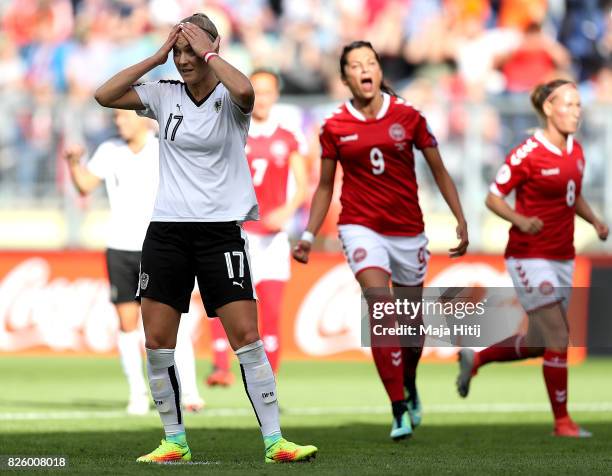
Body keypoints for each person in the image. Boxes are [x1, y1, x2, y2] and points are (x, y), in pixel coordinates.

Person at [94, 13, 317, 464]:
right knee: (157, 341)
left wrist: (210, 52)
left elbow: (247, 92)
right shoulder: (163, 93)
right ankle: (174, 440)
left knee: (247, 336)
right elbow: (104, 95)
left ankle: (275, 441)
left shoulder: (230, 97)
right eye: (178, 52)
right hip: (167, 233)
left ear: (212, 49)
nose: (183, 60)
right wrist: (157, 56)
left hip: (220, 233)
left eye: (190, 50)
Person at [292, 40, 469, 441]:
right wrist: (307, 234)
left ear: (379, 71)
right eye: (355, 65)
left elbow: (439, 170)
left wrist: (460, 217)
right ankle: (397, 409)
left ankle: (409, 383)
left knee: (410, 326)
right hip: (360, 226)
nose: (365, 69)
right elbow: (323, 188)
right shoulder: (334, 125)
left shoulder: (409, 116)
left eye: (370, 62)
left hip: (408, 229)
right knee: (380, 309)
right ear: (345, 77)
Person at [456, 79, 609, 437]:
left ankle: (476, 359)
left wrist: (595, 219)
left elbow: (573, 196)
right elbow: (493, 197)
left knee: (540, 342)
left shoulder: (577, 151)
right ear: (548, 109)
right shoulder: (528, 153)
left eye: (578, 106)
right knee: (559, 335)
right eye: (568, 105)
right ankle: (563, 423)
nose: (575, 112)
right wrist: (521, 220)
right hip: (530, 255)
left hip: (563, 255)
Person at [64, 109, 205, 415]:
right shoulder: (109, 150)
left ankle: (189, 391)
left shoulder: (163, 148)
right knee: (128, 324)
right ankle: (137, 393)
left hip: (159, 247)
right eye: (116, 118)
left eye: (124, 116)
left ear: (142, 117)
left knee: (168, 321)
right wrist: (73, 163)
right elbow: (85, 185)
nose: (119, 122)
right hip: (119, 246)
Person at [206, 68, 308, 386]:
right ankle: (222, 367)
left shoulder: (288, 137)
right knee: (227, 303)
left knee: (273, 311)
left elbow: (303, 185)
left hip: (273, 239)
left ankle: (269, 377)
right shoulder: (234, 130)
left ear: (275, 95)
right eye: (257, 91)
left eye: (267, 91)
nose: (261, 98)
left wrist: (287, 211)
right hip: (238, 233)